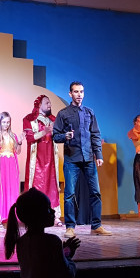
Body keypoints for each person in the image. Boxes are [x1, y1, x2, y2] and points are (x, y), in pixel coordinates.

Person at [53, 81, 112, 238]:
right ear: (70, 94)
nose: (79, 94)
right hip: (72, 159)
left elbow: (95, 134)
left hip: (89, 158)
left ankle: (96, 225)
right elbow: (55, 135)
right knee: (69, 194)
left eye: (81, 92)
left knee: (95, 193)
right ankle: (70, 227)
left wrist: (98, 155)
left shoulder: (89, 112)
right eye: (76, 92)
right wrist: (65, 136)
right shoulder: (63, 114)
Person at [23, 94, 62, 227]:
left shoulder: (53, 119)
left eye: (50, 103)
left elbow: (58, 135)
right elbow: (29, 137)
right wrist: (44, 132)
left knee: (52, 186)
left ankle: (54, 216)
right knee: (36, 186)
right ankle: (34, 215)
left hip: (50, 159)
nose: (50, 105)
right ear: (39, 105)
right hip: (37, 160)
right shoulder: (29, 119)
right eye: (47, 103)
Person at [0, 111, 22, 229]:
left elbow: (17, 151)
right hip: (0, 166)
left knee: (12, 192)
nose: (6, 125)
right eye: (4, 122)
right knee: (0, 191)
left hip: (12, 165)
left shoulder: (13, 135)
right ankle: (0, 221)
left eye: (8, 122)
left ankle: (12, 219)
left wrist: (20, 143)